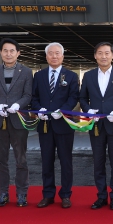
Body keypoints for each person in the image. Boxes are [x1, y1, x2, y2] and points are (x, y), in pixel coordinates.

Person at [79, 42, 113, 211]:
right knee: (98, 162)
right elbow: (82, 98)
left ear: (112, 55)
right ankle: (101, 196)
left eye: (107, 53)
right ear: (95, 56)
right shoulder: (88, 76)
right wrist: (88, 111)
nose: (104, 56)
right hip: (96, 126)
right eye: (100, 53)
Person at [0, 38, 33, 207]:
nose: (8, 54)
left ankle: (22, 194)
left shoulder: (26, 72)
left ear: (18, 53)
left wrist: (18, 105)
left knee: (21, 159)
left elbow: (28, 95)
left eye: (12, 51)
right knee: (1, 159)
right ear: (1, 53)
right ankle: (3, 193)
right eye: (5, 50)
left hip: (18, 120)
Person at [32, 43, 79, 209]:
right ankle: (48, 194)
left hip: (64, 124)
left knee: (66, 161)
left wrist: (63, 110)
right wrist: (38, 109)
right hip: (45, 124)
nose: (54, 56)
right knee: (46, 161)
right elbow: (34, 97)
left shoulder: (71, 76)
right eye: (51, 53)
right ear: (46, 57)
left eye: (57, 53)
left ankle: (66, 195)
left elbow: (74, 97)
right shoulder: (39, 76)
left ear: (62, 56)